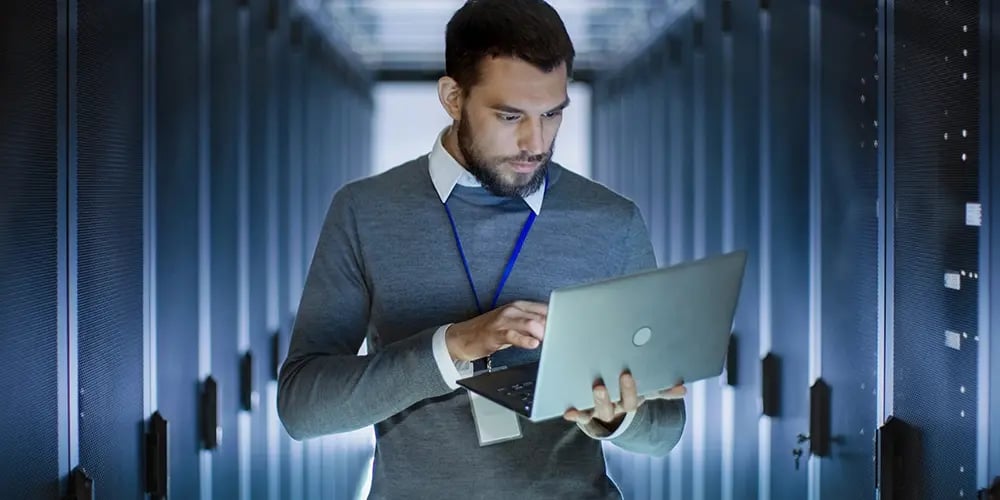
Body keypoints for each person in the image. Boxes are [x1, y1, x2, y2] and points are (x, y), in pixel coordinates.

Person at [277, 0, 687, 498]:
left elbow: (666, 428)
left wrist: (616, 418)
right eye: (510, 115)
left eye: (552, 114)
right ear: (453, 97)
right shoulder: (363, 211)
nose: (536, 142)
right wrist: (451, 347)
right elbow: (302, 409)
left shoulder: (612, 222)